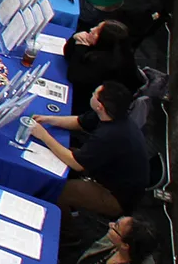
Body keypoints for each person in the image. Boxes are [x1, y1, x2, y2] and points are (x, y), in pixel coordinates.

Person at [29, 82, 147, 217]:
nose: (91, 95)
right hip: (104, 170)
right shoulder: (109, 115)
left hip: (116, 195)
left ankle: (68, 231)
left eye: (94, 95)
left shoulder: (110, 135)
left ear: (99, 106)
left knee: (59, 191)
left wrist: (44, 136)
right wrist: (48, 119)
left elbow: (77, 163)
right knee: (58, 153)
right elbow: (79, 122)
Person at [65, 21, 142, 116]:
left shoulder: (108, 63)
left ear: (105, 40)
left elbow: (74, 76)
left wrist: (80, 47)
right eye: (96, 26)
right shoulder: (104, 48)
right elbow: (68, 56)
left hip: (90, 106)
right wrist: (75, 38)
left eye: (97, 31)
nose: (91, 30)